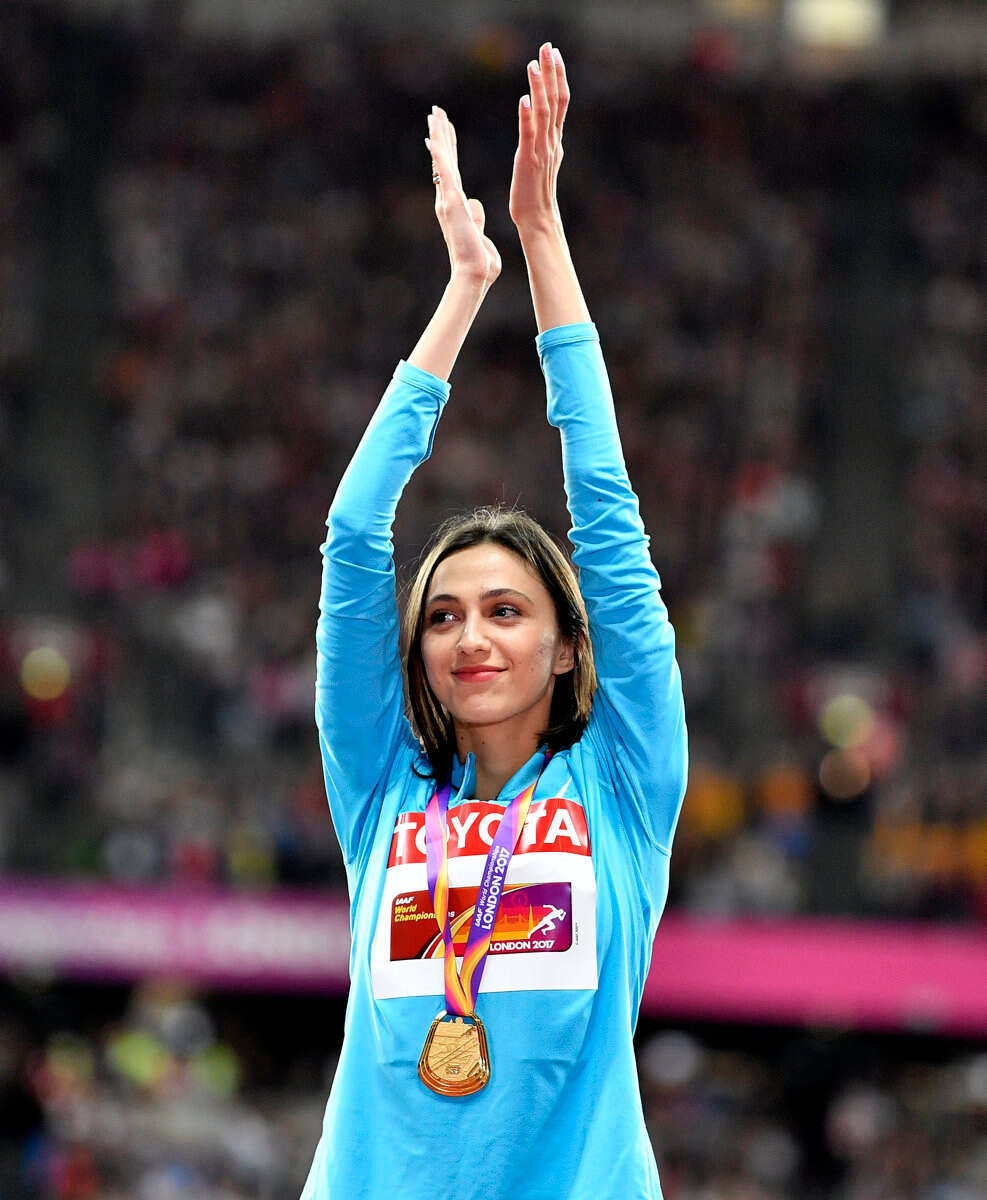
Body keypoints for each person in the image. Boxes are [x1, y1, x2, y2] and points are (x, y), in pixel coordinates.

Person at [302, 40, 688, 1200]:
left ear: (567, 646)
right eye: (444, 617)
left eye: (507, 611)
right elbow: (353, 537)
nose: (470, 636)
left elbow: (608, 522)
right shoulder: (381, 792)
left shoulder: (624, 785)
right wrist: (464, 287)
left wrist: (542, 237)